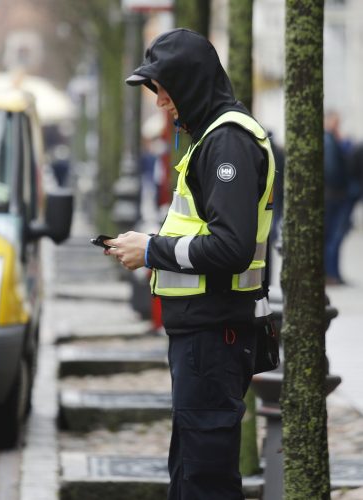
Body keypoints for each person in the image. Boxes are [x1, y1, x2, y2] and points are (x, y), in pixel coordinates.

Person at [104, 28, 275, 499]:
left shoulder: (228, 144)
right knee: (191, 472)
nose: (160, 103)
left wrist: (152, 250)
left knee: (205, 480)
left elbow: (232, 248)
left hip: (214, 337)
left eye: (163, 90)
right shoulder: (212, 139)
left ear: (189, 83)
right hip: (206, 337)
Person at [323, 111, 351, 285]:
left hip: (333, 195)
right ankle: (332, 274)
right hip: (334, 196)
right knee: (333, 236)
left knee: (333, 236)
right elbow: (333, 170)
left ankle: (333, 274)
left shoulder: (331, 140)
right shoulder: (329, 141)